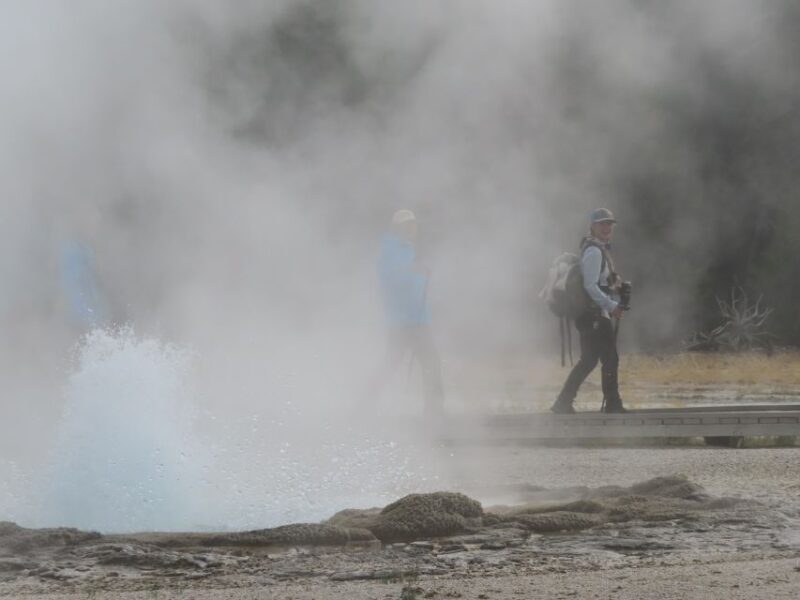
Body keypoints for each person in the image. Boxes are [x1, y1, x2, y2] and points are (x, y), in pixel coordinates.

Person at [363, 209, 444, 416]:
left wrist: (420, 272)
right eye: (409, 225)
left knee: (413, 363)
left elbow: (410, 279)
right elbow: (391, 281)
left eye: (414, 224)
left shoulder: (407, 250)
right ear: (398, 228)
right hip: (403, 321)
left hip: (416, 319)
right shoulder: (390, 251)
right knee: (422, 363)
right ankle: (434, 414)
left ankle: (365, 404)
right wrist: (415, 270)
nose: (413, 228)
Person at [551, 208, 627, 414]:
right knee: (610, 359)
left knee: (588, 361)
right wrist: (612, 306)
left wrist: (613, 287)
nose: (607, 227)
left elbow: (597, 284)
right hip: (595, 316)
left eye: (609, 224)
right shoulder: (594, 251)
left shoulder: (596, 249)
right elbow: (590, 286)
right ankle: (613, 405)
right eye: (602, 224)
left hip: (589, 316)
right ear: (592, 226)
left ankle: (563, 402)